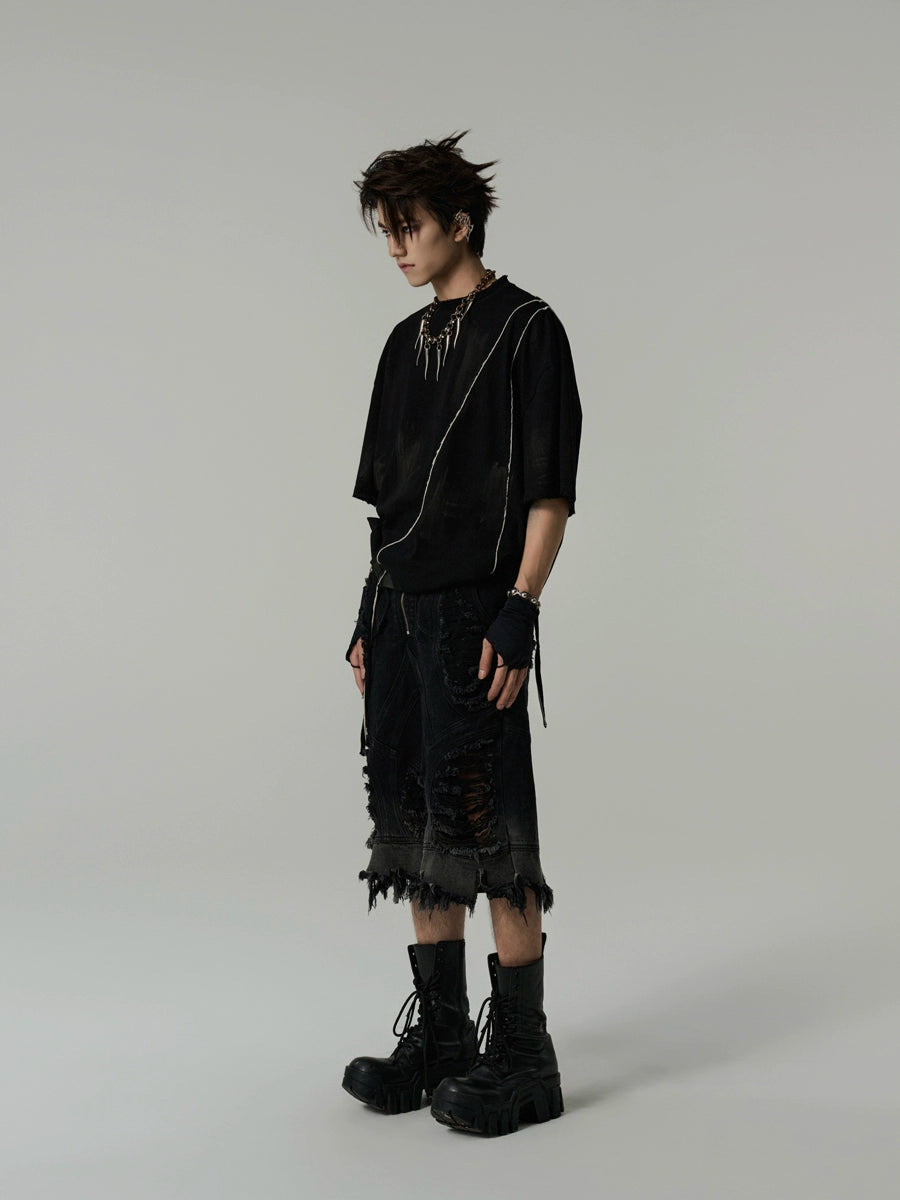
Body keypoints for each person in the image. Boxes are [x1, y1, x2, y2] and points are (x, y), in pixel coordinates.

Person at [341, 132, 582, 1137]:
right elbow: (387, 507)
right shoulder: (402, 345)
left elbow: (549, 491)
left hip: (477, 615)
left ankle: (525, 1058)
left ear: (461, 222)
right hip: (400, 613)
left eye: (410, 226)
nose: (397, 246)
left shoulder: (528, 330)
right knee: (411, 820)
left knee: (490, 824)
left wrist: (520, 608)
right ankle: (443, 1038)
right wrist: (366, 616)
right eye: (386, 230)